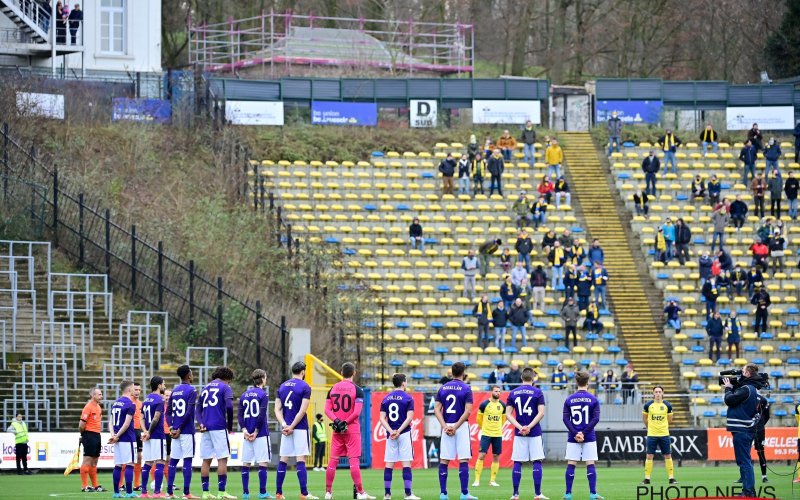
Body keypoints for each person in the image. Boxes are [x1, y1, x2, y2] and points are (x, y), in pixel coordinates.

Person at [324, 362, 374, 500]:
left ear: (341, 373)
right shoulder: (358, 390)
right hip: (351, 429)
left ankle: (328, 492)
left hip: (337, 430)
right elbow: (357, 413)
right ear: (354, 373)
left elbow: (327, 410)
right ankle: (361, 492)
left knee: (333, 461)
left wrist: (337, 421)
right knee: (354, 462)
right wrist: (345, 422)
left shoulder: (333, 389)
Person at [434, 361, 477, 500]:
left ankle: (443, 494)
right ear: (463, 373)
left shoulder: (443, 388)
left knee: (444, 460)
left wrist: (445, 426)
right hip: (461, 426)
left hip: (447, 426)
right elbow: (468, 411)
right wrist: (456, 426)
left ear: (451, 372)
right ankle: (464, 494)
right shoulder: (466, 388)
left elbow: (436, 409)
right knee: (463, 459)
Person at [276, 361, 317, 500]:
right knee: (301, 459)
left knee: (283, 459)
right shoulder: (305, 386)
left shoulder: (282, 386)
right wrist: (292, 426)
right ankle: (304, 494)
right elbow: (302, 410)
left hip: (286, 427)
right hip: (298, 427)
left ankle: (279, 493)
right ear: (303, 372)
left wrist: (284, 424)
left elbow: (277, 409)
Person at [505, 367, 548, 500]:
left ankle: (515, 494)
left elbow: (508, 414)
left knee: (518, 461)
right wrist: (529, 427)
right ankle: (537, 494)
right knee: (537, 460)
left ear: (521, 378)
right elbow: (541, 413)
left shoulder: (513, 392)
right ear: (533, 378)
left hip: (519, 432)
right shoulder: (538, 392)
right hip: (534, 431)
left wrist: (520, 427)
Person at [722, 363, 763, 498]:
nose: (740, 373)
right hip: (747, 429)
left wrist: (728, 388)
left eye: (743, 371)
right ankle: (749, 490)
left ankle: (749, 491)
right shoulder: (755, 390)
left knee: (744, 461)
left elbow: (729, 400)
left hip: (742, 429)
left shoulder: (747, 389)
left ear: (747, 374)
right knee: (746, 460)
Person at [379, 373, 421, 500]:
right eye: (406, 381)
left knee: (389, 465)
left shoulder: (386, 398)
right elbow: (409, 418)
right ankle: (408, 494)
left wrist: (391, 431)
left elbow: (382, 419)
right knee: (406, 463)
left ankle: (387, 494)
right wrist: (398, 431)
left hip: (390, 435)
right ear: (403, 383)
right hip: (404, 434)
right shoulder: (408, 398)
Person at [562, 371, 603, 500]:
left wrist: (576, 433)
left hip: (573, 437)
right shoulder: (593, 399)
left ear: (576, 383)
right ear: (588, 383)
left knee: (571, 464)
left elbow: (565, 419)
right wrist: (584, 433)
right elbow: (595, 419)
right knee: (590, 463)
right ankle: (593, 494)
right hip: (589, 436)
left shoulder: (569, 399)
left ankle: (568, 494)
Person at [197, 366, 236, 499]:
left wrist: (201, 422)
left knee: (206, 460)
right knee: (222, 459)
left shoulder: (205, 388)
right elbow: (230, 407)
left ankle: (205, 493)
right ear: (227, 378)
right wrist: (229, 425)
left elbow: (198, 409)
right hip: (219, 426)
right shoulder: (225, 387)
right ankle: (221, 492)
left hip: (206, 427)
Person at [166, 365, 198, 499]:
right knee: (187, 461)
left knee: (173, 461)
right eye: (191, 373)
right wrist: (179, 428)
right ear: (189, 376)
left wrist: (172, 427)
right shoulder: (192, 390)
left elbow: (167, 413)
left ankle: (169, 493)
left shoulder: (175, 390)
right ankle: (186, 493)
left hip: (175, 432)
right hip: (186, 431)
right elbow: (189, 411)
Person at [239, 369, 271, 500]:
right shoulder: (263, 394)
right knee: (263, 463)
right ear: (263, 379)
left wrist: (245, 430)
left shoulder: (244, 395)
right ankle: (262, 492)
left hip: (247, 434)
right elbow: (261, 415)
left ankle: (245, 493)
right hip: (261, 433)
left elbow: (240, 415)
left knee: (246, 463)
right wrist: (256, 431)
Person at [641, 386, 677, 485]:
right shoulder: (648, 405)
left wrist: (662, 427)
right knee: (649, 456)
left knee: (668, 455)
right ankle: (647, 478)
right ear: (653, 393)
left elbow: (670, 420)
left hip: (664, 434)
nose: (657, 394)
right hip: (652, 434)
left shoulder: (667, 405)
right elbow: (645, 419)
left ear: (663, 393)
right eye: (656, 392)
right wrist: (650, 427)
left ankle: (671, 478)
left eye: (659, 392)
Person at [473, 386, 506, 488]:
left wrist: (497, 428)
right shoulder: (484, 404)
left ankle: (492, 480)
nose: (498, 393)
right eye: (496, 391)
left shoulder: (502, 405)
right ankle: (477, 480)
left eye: (499, 391)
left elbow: (503, 419)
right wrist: (484, 428)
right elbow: (479, 419)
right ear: (491, 392)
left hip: (497, 434)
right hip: (486, 434)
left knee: (496, 456)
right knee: (481, 455)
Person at [139, 377, 167, 498]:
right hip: (157, 435)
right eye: (163, 384)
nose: (164, 386)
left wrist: (145, 431)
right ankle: (157, 492)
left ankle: (144, 492)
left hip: (147, 436)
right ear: (159, 385)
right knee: (160, 461)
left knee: (148, 463)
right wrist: (149, 432)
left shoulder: (146, 400)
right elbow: (156, 418)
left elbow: (141, 418)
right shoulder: (159, 400)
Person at [109, 381, 137, 498]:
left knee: (118, 465)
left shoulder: (115, 403)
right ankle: (129, 492)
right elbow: (126, 424)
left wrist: (113, 435)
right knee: (129, 464)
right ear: (129, 389)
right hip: (127, 438)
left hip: (117, 439)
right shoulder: (131, 404)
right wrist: (117, 436)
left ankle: (116, 493)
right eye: (133, 388)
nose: (135, 391)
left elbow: (110, 422)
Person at [80, 387, 105, 492]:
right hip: (89, 435)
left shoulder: (98, 407)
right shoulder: (88, 407)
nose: (101, 396)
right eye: (99, 394)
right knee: (87, 460)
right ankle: (85, 486)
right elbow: (81, 424)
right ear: (93, 395)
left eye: (101, 394)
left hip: (97, 435)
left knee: (94, 461)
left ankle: (95, 486)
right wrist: (84, 435)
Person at [753, 392, 770, 484]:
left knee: (761, 453)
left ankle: (764, 476)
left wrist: (760, 425)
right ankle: (743, 476)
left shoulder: (763, 400)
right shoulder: (745, 396)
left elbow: (767, 416)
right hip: (748, 429)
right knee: (745, 452)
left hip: (759, 431)